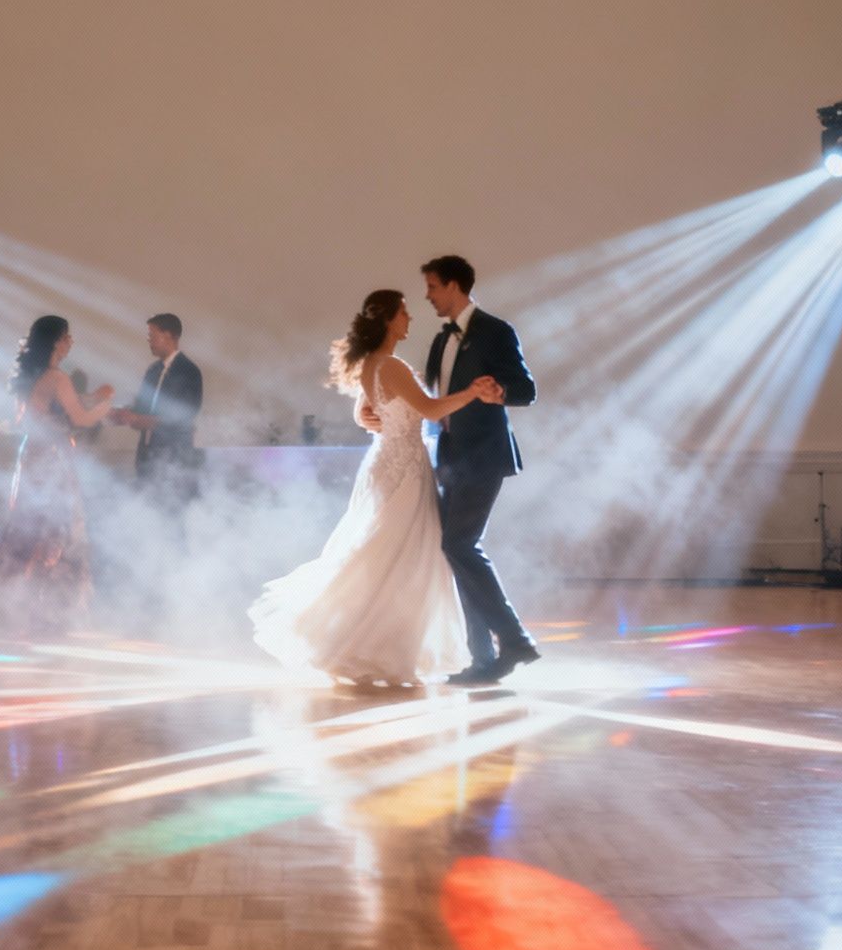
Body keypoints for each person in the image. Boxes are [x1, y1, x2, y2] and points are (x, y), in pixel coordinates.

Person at [252, 289, 499, 684]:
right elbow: (431, 410)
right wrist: (473, 392)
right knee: (397, 554)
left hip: (387, 461)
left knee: (387, 552)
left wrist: (364, 416)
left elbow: (368, 407)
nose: (409, 319)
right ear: (386, 319)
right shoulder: (393, 365)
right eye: (403, 313)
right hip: (402, 466)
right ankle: (377, 645)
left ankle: (380, 643)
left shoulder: (370, 363)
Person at [418, 255, 539, 685]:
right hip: (451, 456)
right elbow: (436, 399)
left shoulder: (495, 330)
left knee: (460, 544)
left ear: (454, 285)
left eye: (432, 287)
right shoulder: (440, 340)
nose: (428, 296)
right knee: (457, 551)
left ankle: (514, 639)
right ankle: (483, 658)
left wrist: (498, 392)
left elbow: (526, 390)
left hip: (484, 455)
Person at [0, 316, 112, 635]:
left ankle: (16, 604)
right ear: (56, 341)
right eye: (68, 337)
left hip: (30, 458)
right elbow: (79, 418)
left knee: (29, 529)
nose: (70, 343)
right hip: (53, 459)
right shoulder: (57, 378)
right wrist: (106, 407)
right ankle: (52, 611)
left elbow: (24, 419)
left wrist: (92, 399)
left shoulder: (30, 377)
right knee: (59, 531)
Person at [110, 312, 204, 503]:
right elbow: (141, 411)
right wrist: (124, 415)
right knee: (149, 512)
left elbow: (184, 416)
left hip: (174, 456)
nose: (149, 340)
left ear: (169, 335)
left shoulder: (189, 371)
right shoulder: (153, 371)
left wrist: (139, 419)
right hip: (146, 454)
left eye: (152, 335)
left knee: (171, 512)